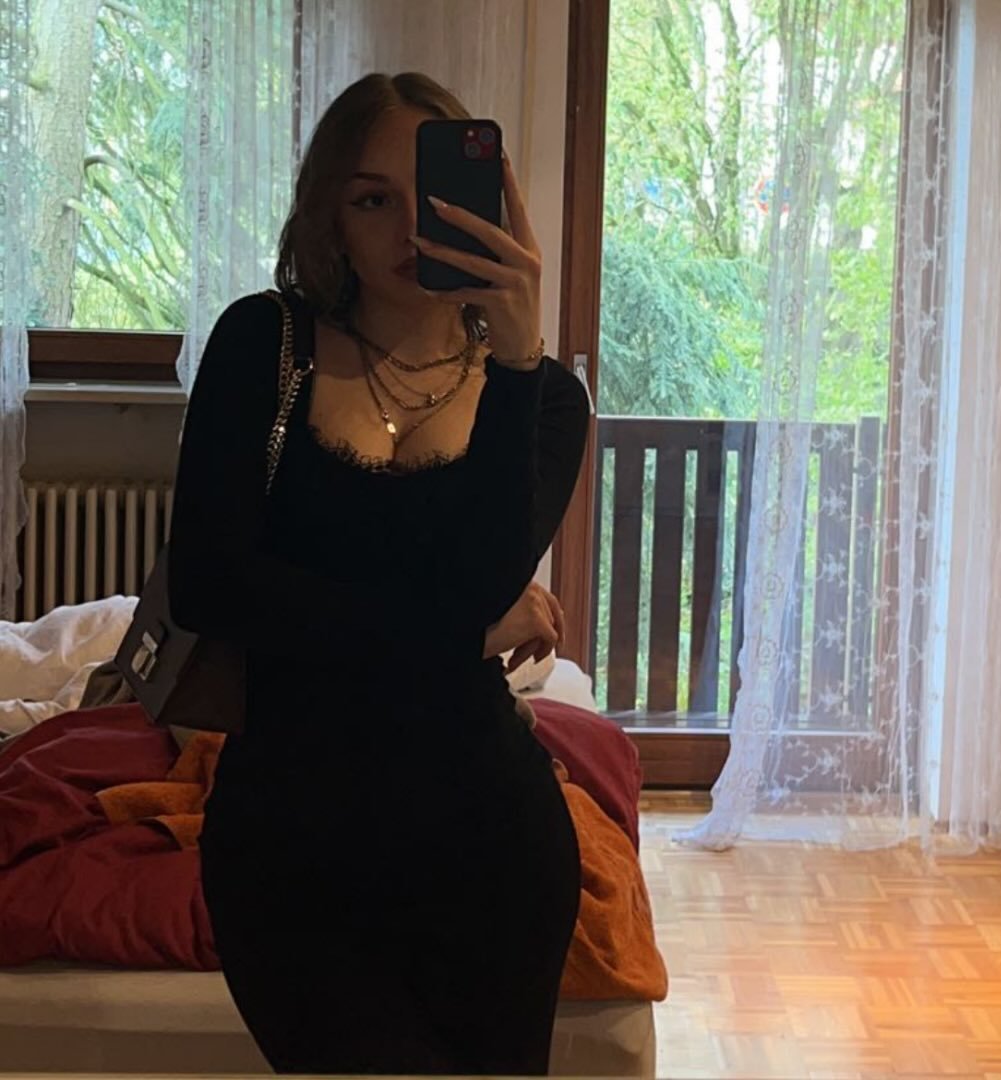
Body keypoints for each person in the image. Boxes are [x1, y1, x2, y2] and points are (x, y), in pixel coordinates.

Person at [166, 72, 590, 1076]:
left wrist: (518, 358)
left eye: (435, 198)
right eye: (372, 199)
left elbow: (482, 583)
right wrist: (456, 635)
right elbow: (210, 586)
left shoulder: (543, 400)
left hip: (493, 851)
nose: (409, 229)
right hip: (290, 852)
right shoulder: (260, 346)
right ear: (330, 216)